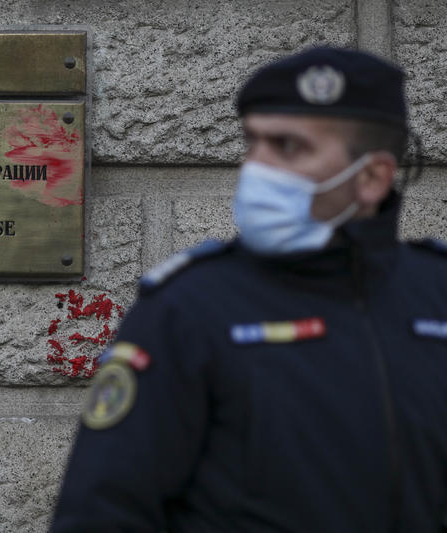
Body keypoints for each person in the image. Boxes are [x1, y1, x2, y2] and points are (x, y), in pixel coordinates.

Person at [50, 46, 446, 532]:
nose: (255, 166)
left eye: (287, 147)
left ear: (371, 178)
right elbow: (101, 515)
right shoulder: (189, 308)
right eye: (252, 142)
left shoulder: (436, 294)